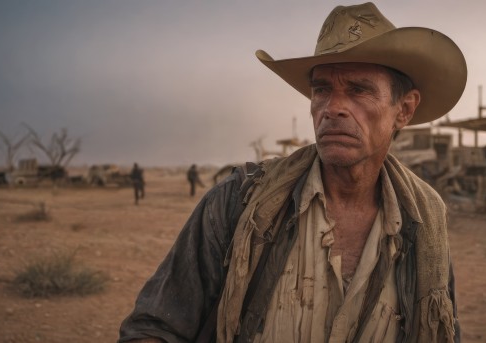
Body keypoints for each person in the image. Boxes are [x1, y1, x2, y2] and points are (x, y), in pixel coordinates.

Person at [119, 3, 466, 342]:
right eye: (322, 90)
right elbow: (154, 327)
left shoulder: (424, 220)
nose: (333, 108)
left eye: (359, 90)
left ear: (403, 110)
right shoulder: (240, 203)